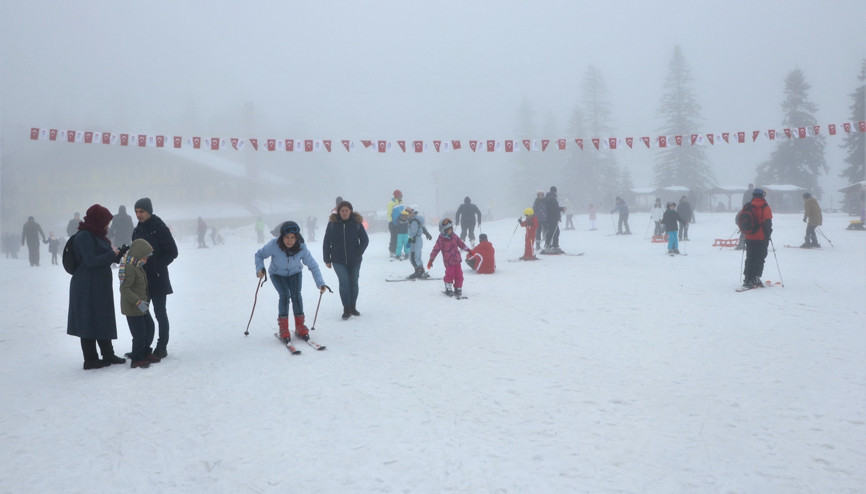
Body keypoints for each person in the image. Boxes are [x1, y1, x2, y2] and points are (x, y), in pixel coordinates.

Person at [67, 204, 126, 369]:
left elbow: (102, 256)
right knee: (88, 320)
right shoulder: (84, 236)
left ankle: (108, 354)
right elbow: (91, 260)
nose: (107, 225)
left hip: (98, 285)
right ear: (98, 220)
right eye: (106, 222)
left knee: (102, 318)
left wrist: (117, 254)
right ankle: (90, 359)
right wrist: (110, 254)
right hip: (86, 285)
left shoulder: (98, 235)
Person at [256, 221, 328, 339]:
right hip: (277, 274)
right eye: (286, 237)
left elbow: (313, 265)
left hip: (295, 273)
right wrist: (260, 268)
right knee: (284, 295)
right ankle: (283, 328)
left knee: (296, 296)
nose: (289, 240)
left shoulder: (301, 247)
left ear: (297, 237)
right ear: (282, 237)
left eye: (292, 237)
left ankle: (300, 326)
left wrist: (320, 283)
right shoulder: (274, 245)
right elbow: (259, 255)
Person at [132, 197, 179, 359]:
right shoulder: (137, 231)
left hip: (158, 279)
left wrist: (156, 266)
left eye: (141, 211)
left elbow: (173, 251)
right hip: (141, 282)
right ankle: (142, 347)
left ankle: (161, 346)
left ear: (149, 211)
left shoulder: (159, 228)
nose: (138, 215)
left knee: (160, 313)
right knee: (142, 312)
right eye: (136, 212)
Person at [323, 201, 369, 320]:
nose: (344, 212)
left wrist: (358, 252)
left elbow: (365, 240)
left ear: (350, 211)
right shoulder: (332, 224)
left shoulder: (357, 223)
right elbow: (327, 242)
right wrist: (327, 259)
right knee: (344, 283)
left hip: (355, 259)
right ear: (338, 211)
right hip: (338, 259)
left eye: (346, 210)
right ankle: (346, 308)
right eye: (342, 210)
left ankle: (353, 307)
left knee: (353, 282)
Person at [118, 238, 159, 368]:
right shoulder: (130, 268)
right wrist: (137, 301)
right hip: (133, 307)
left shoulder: (138, 266)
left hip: (142, 306)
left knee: (150, 328)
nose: (146, 260)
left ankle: (145, 352)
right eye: (145, 257)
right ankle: (137, 358)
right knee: (139, 333)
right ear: (138, 255)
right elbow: (124, 289)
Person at [739, 188, 773, 288]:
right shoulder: (765, 206)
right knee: (759, 258)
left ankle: (747, 279)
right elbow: (767, 223)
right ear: (762, 195)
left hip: (749, 236)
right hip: (761, 237)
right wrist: (768, 235)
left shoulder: (747, 206)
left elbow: (739, 219)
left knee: (749, 257)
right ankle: (755, 278)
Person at [427, 218, 470, 297]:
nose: (450, 231)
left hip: (457, 260)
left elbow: (461, 244)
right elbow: (435, 250)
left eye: (451, 229)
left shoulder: (454, 236)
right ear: (444, 231)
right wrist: (431, 260)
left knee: (459, 275)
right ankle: (448, 287)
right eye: (448, 230)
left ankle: (458, 287)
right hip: (449, 262)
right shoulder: (441, 240)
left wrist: (469, 250)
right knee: (450, 274)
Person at [405, 206, 433, 279]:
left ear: (414, 213)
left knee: (415, 256)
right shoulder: (414, 220)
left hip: (415, 239)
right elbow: (422, 227)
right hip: (414, 239)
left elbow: (413, 232)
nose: (408, 214)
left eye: (409, 213)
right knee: (414, 256)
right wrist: (426, 233)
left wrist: (409, 241)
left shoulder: (414, 221)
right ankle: (419, 271)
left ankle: (419, 272)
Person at [543, 186, 565, 253]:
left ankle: (548, 245)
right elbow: (554, 209)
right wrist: (561, 209)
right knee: (555, 232)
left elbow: (552, 208)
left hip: (549, 218)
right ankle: (555, 246)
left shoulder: (548, 197)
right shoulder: (552, 198)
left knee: (550, 232)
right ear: (555, 191)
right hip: (553, 218)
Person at [387, 189, 403, 258]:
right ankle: (392, 251)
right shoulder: (391, 203)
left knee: (399, 238)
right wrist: (390, 222)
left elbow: (402, 212)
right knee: (393, 237)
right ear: (396, 196)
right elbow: (388, 213)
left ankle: (398, 251)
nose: (401, 197)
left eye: (401, 195)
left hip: (400, 223)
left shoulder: (401, 202)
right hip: (393, 224)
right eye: (400, 195)